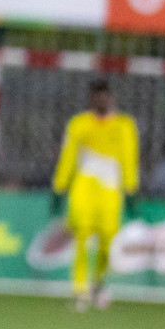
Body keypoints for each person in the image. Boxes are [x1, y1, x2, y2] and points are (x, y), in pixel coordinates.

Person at [51, 80, 139, 312]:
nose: (101, 101)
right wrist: (60, 186)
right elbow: (68, 155)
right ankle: (80, 290)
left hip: (110, 188)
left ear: (111, 99)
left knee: (108, 242)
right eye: (96, 97)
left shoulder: (123, 125)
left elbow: (129, 157)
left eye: (104, 97)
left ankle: (98, 283)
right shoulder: (79, 124)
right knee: (80, 236)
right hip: (84, 185)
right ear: (91, 100)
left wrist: (131, 189)